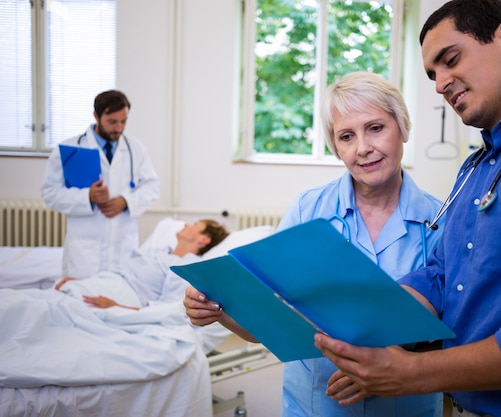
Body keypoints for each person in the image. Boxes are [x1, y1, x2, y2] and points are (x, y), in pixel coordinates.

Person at [313, 1, 501, 416]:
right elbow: (443, 278)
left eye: (450, 59)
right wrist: (374, 330)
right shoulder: (477, 167)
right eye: (432, 74)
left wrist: (411, 372)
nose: (440, 83)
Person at [184, 71, 445, 417]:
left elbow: (455, 334)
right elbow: (269, 325)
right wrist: (216, 311)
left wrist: (388, 369)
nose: (363, 148)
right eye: (346, 136)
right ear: (335, 147)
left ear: (403, 127)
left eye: (376, 128)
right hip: (316, 405)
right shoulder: (307, 210)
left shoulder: (441, 220)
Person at [41, 90, 160, 279]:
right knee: (80, 302)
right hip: (85, 252)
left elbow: (152, 187)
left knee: (118, 300)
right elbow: (50, 193)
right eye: (112, 122)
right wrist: (87, 197)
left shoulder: (135, 148)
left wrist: (125, 201)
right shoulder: (70, 149)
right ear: (96, 116)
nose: (118, 128)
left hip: (123, 248)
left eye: (123, 121)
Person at [54, 219, 229, 310]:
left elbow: (168, 307)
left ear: (203, 239)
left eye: (196, 224)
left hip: (122, 296)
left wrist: (118, 307)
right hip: (106, 282)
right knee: (51, 299)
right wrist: (85, 280)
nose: (186, 224)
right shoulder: (160, 251)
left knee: (53, 309)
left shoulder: (187, 266)